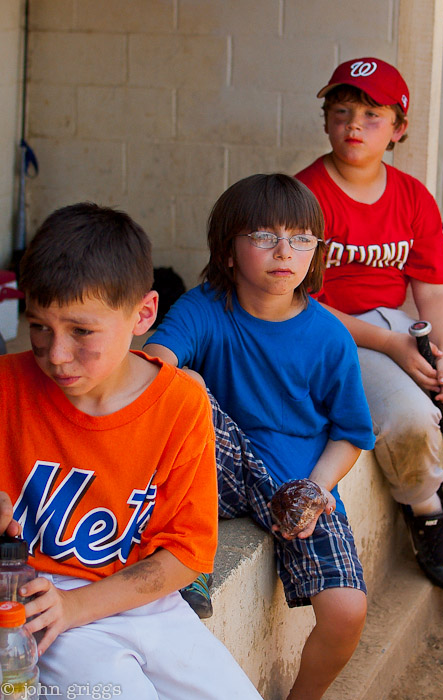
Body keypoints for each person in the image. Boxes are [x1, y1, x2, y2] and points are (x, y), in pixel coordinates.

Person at [0, 203, 261, 698]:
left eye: (81, 331)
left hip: (145, 602)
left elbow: (185, 555)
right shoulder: (7, 387)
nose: (55, 354)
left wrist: (78, 607)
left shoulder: (180, 402)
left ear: (144, 314)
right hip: (43, 605)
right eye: (39, 326)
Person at [294, 58, 443, 594]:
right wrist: (393, 346)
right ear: (326, 119)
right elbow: (296, 300)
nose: (355, 125)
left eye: (372, 115)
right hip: (336, 335)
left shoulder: (411, 196)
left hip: (402, 324)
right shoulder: (304, 196)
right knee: (412, 420)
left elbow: (432, 288)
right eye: (342, 111)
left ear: (399, 128)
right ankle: (424, 512)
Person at [144, 173, 375, 700]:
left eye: (300, 239)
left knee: (347, 612)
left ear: (315, 254)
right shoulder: (205, 307)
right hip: (219, 472)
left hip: (295, 486)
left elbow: (351, 434)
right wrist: (174, 372)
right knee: (184, 386)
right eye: (264, 236)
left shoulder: (329, 337)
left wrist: (316, 489)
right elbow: (155, 362)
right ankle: (187, 556)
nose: (284, 251)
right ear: (228, 251)